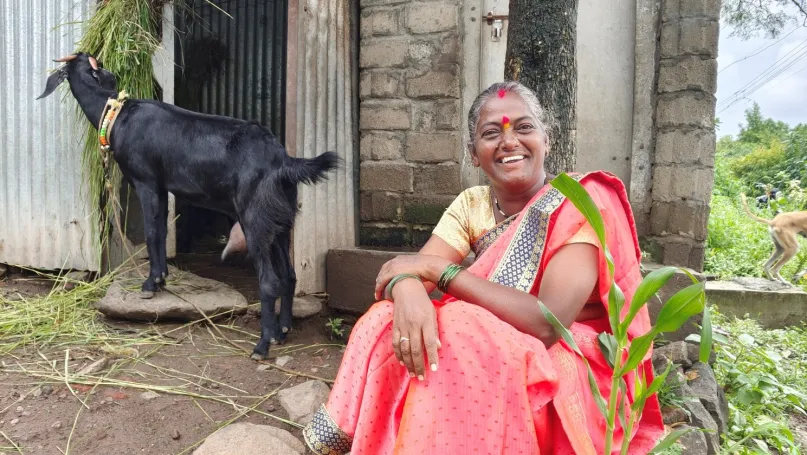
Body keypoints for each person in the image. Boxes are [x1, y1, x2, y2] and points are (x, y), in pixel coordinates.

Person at [302, 81, 664, 454]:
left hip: (570, 360)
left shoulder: (580, 204)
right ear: (474, 153)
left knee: (460, 326)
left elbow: (549, 324)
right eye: (492, 133)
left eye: (524, 128)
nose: (509, 142)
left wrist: (440, 273)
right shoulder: (473, 205)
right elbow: (406, 273)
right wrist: (409, 290)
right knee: (386, 316)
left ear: (547, 139)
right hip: (495, 345)